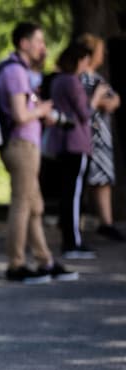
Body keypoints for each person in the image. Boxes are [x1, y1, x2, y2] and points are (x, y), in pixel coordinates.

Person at [0, 22, 77, 283]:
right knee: (22, 204)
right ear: (24, 43)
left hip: (24, 144)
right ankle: (15, 265)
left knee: (35, 206)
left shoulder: (14, 70)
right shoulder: (16, 72)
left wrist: (40, 112)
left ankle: (45, 261)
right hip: (21, 145)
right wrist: (41, 112)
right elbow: (20, 115)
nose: (43, 47)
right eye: (39, 41)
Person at [45, 42, 109, 259]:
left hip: (63, 142)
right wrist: (97, 96)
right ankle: (72, 242)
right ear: (78, 61)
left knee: (68, 193)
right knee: (73, 195)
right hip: (75, 142)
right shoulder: (71, 81)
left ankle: (71, 240)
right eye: (84, 61)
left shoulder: (57, 80)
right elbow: (85, 113)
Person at [77, 33, 123, 242]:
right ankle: (86, 221)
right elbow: (96, 104)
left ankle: (107, 222)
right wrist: (103, 100)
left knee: (103, 178)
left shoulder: (97, 77)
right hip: (90, 134)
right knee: (89, 179)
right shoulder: (82, 77)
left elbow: (114, 101)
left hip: (101, 135)